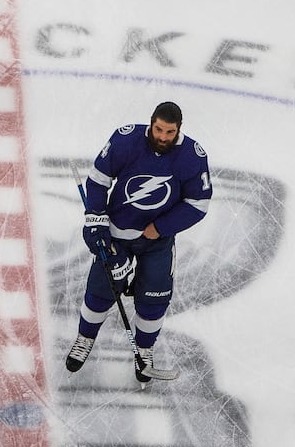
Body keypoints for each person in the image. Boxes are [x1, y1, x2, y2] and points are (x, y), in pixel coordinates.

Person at [67, 100, 212, 383]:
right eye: (158, 129)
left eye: (169, 132)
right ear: (151, 123)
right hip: (117, 235)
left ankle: (144, 350)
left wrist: (161, 227)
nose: (162, 137)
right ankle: (85, 338)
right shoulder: (127, 139)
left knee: (154, 299)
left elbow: (199, 203)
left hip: (157, 241)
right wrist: (96, 219)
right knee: (100, 292)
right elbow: (97, 180)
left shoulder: (192, 157)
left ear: (178, 130)